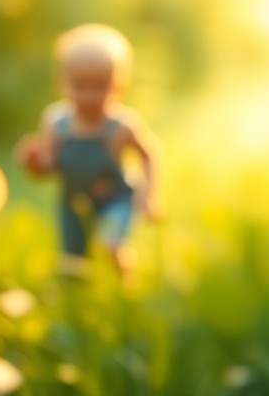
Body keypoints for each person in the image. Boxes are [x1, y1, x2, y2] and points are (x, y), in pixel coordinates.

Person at [15, 24, 162, 276]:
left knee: (111, 242)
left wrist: (149, 195)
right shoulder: (55, 123)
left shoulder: (122, 126)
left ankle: (125, 282)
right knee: (74, 263)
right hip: (73, 202)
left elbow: (149, 154)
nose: (89, 96)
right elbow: (46, 168)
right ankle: (77, 298)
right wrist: (32, 162)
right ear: (62, 83)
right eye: (79, 86)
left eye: (100, 87)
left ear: (119, 85)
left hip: (116, 198)